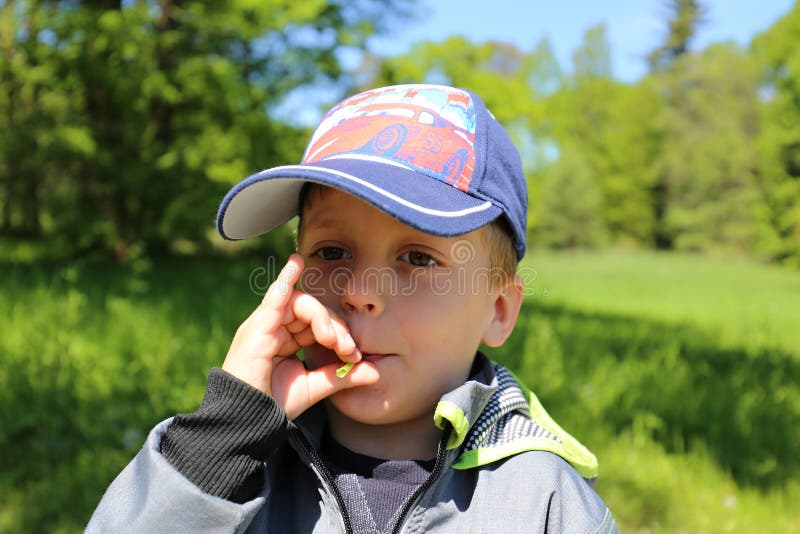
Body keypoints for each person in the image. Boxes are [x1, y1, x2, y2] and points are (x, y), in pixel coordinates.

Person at [88, 84, 618, 533]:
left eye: (417, 257)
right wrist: (224, 434)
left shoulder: (543, 502)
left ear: (499, 309)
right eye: (332, 252)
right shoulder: (231, 468)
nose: (359, 290)